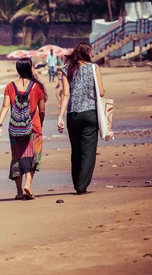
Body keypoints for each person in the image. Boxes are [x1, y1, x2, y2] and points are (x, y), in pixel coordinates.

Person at [57, 42, 105, 195]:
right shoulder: (94, 68)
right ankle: (81, 186)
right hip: (90, 113)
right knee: (88, 151)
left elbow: (65, 95)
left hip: (73, 115)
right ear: (86, 53)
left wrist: (60, 117)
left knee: (76, 150)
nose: (92, 55)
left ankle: (77, 182)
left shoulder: (66, 69)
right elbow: (102, 92)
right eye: (90, 52)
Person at [0, 57, 47, 200]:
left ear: (18, 69)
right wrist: (40, 124)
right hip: (33, 127)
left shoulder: (10, 86)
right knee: (33, 156)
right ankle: (28, 185)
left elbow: (5, 106)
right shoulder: (37, 87)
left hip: (15, 128)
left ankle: (18, 192)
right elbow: (42, 110)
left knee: (17, 158)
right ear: (30, 68)